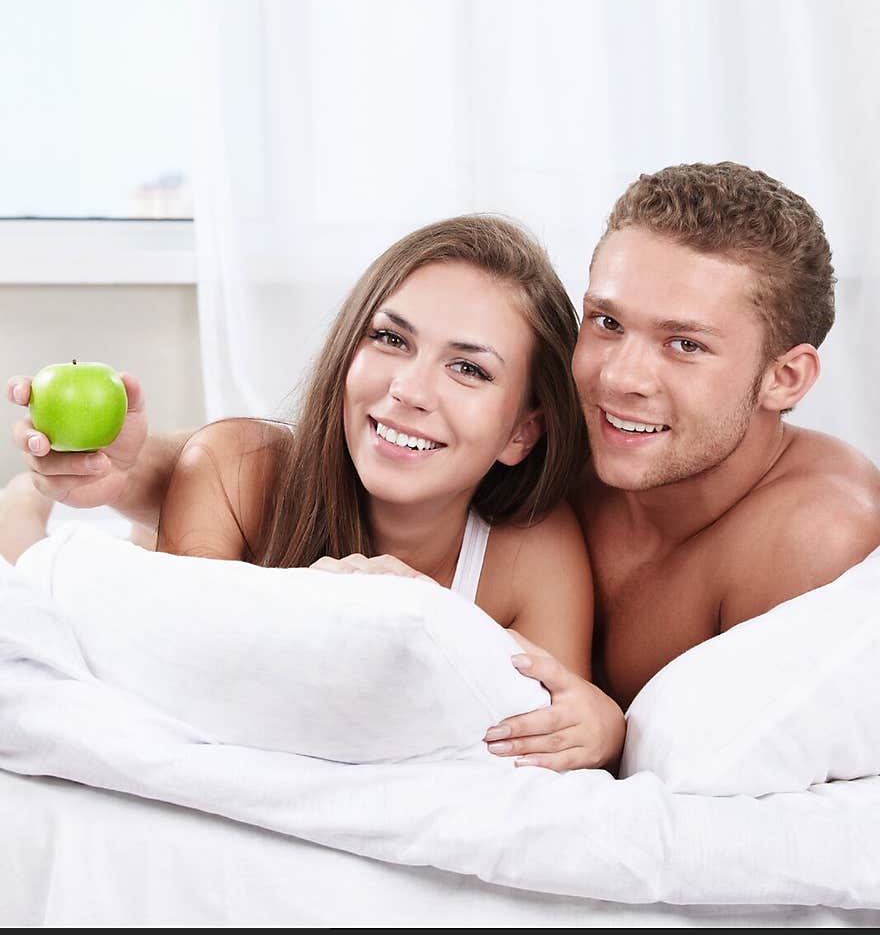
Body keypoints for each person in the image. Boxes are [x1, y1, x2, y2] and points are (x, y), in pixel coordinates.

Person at [9, 162, 880, 756]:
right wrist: (130, 471)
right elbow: (279, 467)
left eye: (684, 344)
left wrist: (606, 731)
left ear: (786, 376)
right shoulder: (582, 432)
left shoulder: (815, 536)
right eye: (607, 321)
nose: (621, 376)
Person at [3, 214, 626, 773]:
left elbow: (554, 729)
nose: (409, 389)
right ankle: (24, 505)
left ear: (521, 431)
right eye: (391, 339)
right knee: (28, 563)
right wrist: (321, 604)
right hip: (142, 528)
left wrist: (605, 726)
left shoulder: (533, 553)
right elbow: (181, 680)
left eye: (469, 368)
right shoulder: (229, 468)